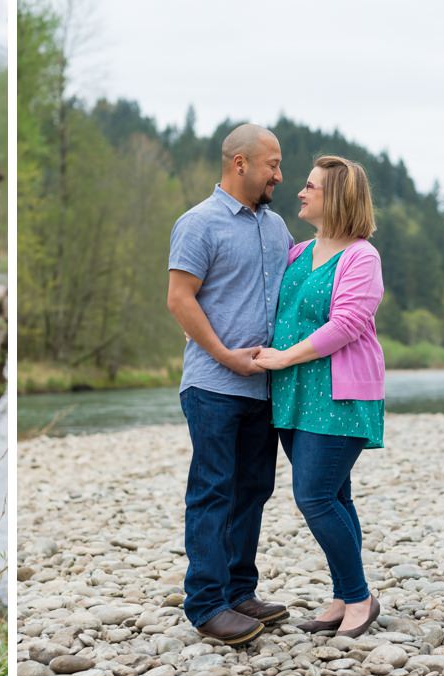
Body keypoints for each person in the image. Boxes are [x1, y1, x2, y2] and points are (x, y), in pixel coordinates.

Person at [166, 123, 294, 646]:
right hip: (213, 384)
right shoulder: (198, 223)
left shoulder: (278, 226)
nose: (279, 175)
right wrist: (224, 357)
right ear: (239, 163)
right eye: (272, 164)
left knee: (253, 491)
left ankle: (240, 592)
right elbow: (179, 298)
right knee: (214, 490)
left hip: (262, 388)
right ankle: (206, 604)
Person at [253, 155, 386, 638]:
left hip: (339, 392)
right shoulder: (296, 253)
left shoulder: (360, 257)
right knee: (334, 495)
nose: (300, 192)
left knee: (313, 495)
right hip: (293, 394)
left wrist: (285, 358)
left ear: (337, 197)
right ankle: (343, 593)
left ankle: (358, 599)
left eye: (311, 187)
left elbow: (348, 325)